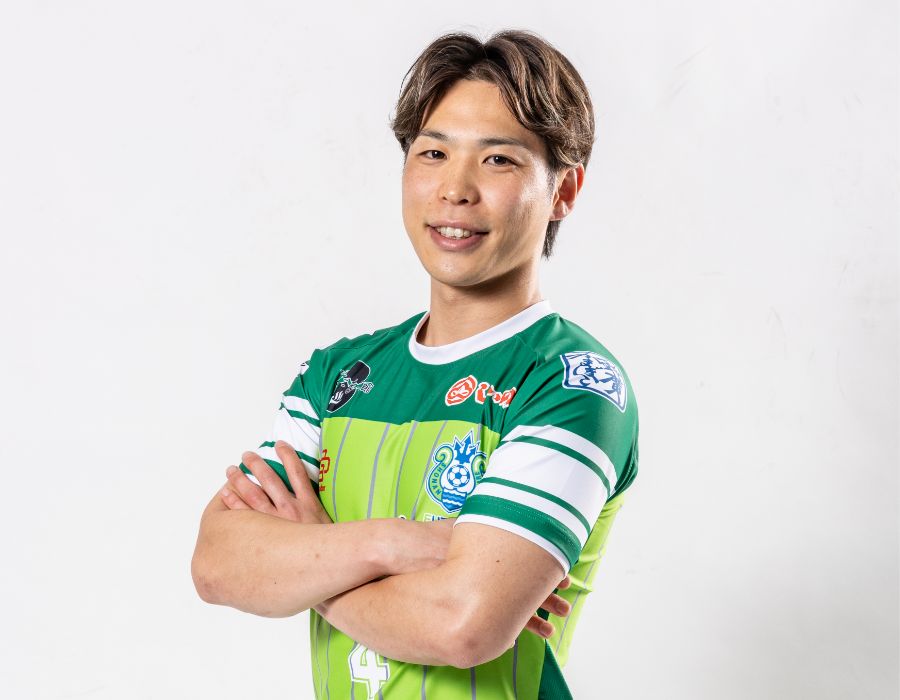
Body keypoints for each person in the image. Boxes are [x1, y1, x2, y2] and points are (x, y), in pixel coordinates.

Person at [191, 29, 639, 699]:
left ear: (564, 190)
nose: (455, 188)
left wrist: (314, 561)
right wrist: (392, 545)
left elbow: (462, 625)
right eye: (433, 153)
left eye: (498, 159)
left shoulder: (573, 383)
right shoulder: (337, 377)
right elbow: (220, 563)